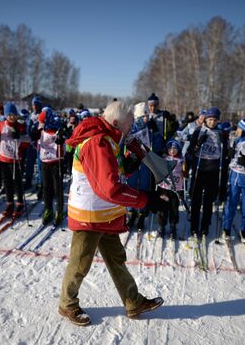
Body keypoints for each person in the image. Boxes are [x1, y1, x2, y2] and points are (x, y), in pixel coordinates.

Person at [59, 101, 167, 326]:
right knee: (80, 263)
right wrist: (147, 199)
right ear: (117, 122)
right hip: (88, 214)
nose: (132, 128)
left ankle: (133, 302)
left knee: (117, 259)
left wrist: (131, 163)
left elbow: (111, 171)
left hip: (104, 213)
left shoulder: (108, 138)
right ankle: (67, 304)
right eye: (130, 123)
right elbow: (109, 188)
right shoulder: (97, 142)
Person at [187, 107, 228, 239]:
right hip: (200, 169)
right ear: (205, 119)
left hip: (214, 170)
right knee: (196, 199)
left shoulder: (221, 133)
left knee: (208, 200)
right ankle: (194, 224)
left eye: (215, 120)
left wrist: (228, 152)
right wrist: (198, 144)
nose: (212, 122)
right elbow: (190, 151)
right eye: (210, 119)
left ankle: (205, 225)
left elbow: (225, 152)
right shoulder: (198, 131)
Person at [30, 107, 67, 225]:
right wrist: (34, 133)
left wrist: (60, 141)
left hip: (56, 163)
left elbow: (63, 150)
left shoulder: (56, 130)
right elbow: (32, 137)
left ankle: (59, 211)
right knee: (46, 188)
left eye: (41, 121)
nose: (39, 124)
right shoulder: (40, 130)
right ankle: (48, 209)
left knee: (58, 189)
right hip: (44, 162)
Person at [0, 102, 25, 217]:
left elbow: (27, 142)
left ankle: (20, 202)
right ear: (6, 115)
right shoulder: (1, 124)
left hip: (16, 158)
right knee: (7, 182)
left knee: (17, 181)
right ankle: (9, 203)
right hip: (4, 157)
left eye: (14, 114)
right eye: (9, 115)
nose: (12, 117)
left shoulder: (21, 125)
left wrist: (20, 136)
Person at [156, 139, 185, 239]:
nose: (172, 151)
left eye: (175, 149)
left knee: (174, 209)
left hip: (176, 189)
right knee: (162, 208)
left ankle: (173, 226)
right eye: (170, 149)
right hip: (164, 188)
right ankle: (161, 226)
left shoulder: (181, 160)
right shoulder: (164, 158)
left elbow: (184, 174)